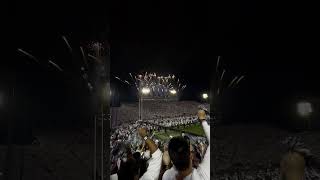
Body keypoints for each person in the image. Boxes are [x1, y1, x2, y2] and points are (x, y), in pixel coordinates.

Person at [162, 109, 210, 180]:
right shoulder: (203, 175)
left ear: (171, 160)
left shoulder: (166, 176)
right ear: (191, 156)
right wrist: (203, 120)